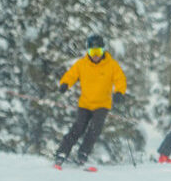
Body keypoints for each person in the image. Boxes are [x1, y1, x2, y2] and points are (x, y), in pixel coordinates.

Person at [53, 33, 127, 168]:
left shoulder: (111, 65)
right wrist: (65, 84)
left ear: (103, 50)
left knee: (94, 129)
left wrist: (119, 92)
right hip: (85, 104)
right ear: (88, 51)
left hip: (102, 104)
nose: (96, 55)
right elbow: (71, 75)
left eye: (98, 51)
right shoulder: (82, 64)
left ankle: (83, 154)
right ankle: (62, 153)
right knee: (78, 127)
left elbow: (120, 79)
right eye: (92, 51)